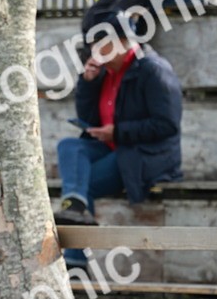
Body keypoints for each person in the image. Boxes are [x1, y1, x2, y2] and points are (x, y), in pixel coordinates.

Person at [54, 13, 183, 268]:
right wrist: (88, 83)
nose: (94, 52)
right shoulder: (107, 71)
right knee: (69, 146)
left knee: (83, 181)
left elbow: (167, 124)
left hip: (145, 155)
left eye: (100, 45)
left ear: (122, 42)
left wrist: (118, 132)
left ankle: (75, 263)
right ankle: (75, 205)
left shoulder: (153, 70)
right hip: (113, 146)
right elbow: (89, 117)